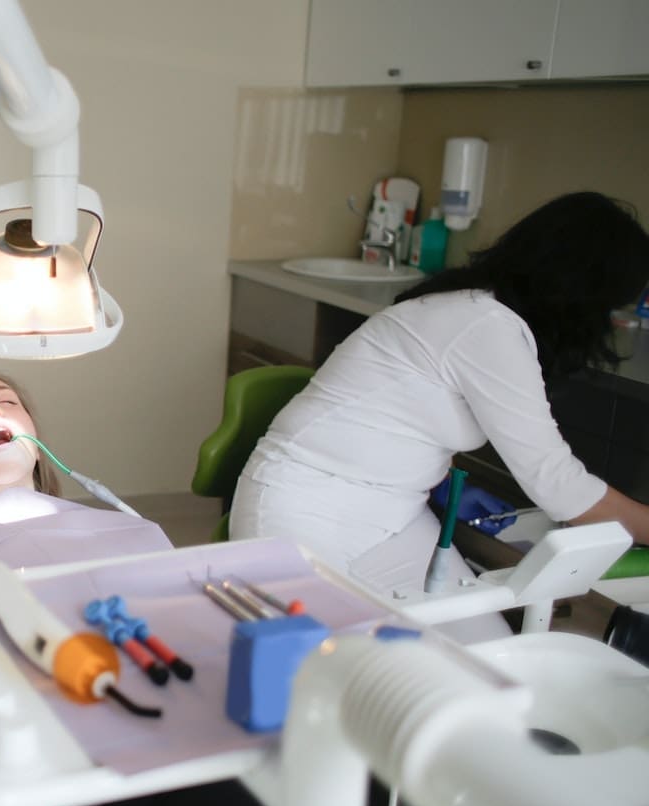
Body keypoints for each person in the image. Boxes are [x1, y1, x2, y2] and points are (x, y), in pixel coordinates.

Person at [0, 370, 302, 806]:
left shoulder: (130, 530)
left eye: (8, 402)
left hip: (168, 759)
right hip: (28, 780)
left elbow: (198, 660)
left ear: (35, 439)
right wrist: (7, 697)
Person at [231, 191, 649, 641]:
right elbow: (557, 483)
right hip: (302, 508)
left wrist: (435, 473)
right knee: (336, 667)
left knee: (484, 656)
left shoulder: (478, 312)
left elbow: (407, 411)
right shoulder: (485, 325)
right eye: (612, 308)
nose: (610, 324)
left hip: (395, 517)